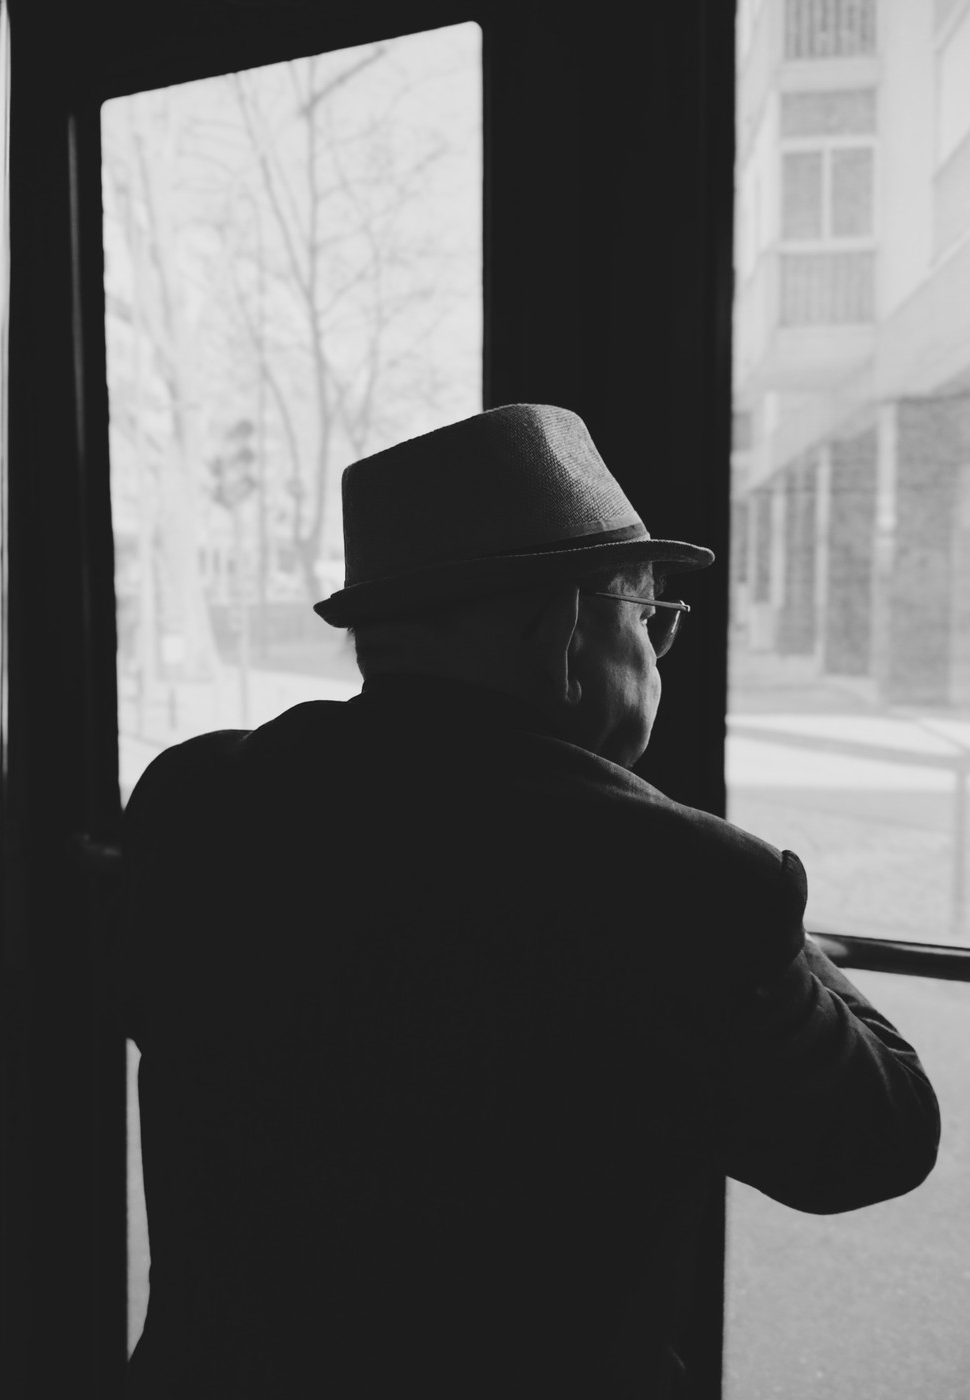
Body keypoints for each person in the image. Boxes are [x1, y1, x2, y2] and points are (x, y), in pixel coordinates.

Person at [123, 404, 940, 1399]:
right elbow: (874, 1143)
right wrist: (747, 899)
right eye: (648, 616)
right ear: (564, 629)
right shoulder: (684, 881)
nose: (655, 651)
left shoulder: (201, 795)